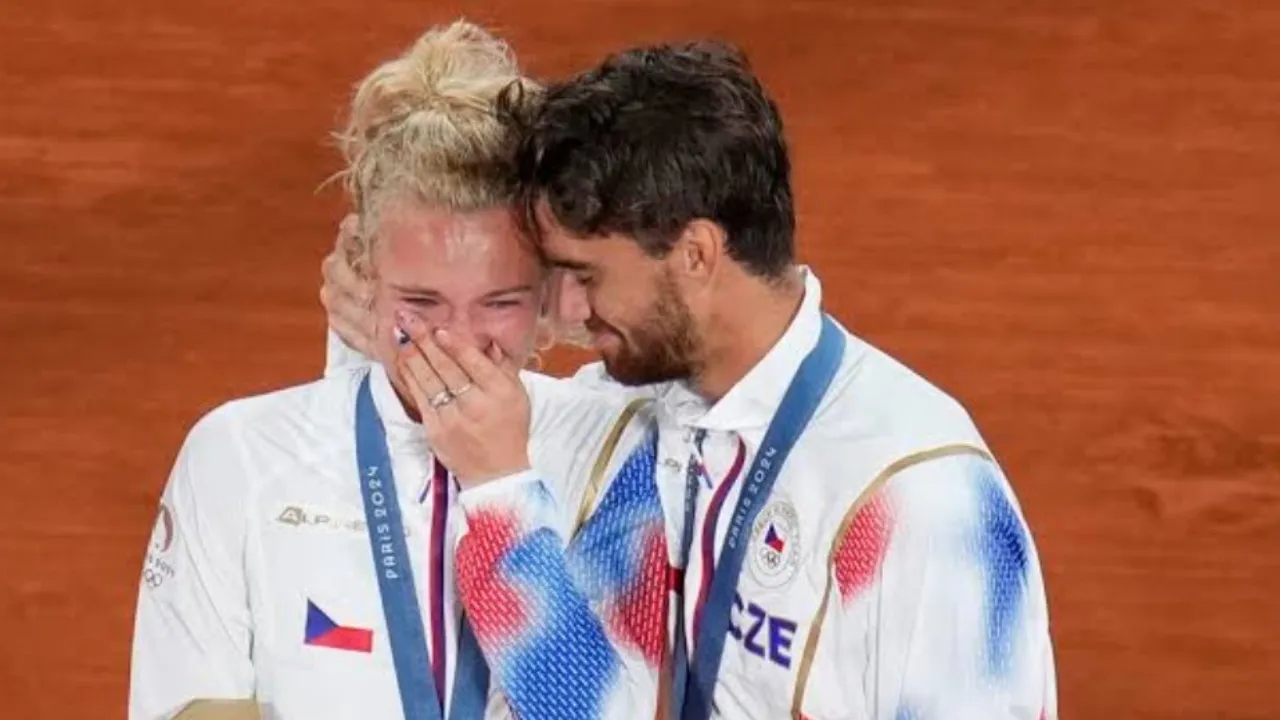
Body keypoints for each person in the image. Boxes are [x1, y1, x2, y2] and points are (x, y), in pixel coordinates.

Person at [327, 39, 1058, 719]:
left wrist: (502, 494)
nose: (571, 309)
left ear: (697, 255)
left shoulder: (919, 498)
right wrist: (388, 331)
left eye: (586, 276)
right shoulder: (645, 417)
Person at [128, 20, 666, 720]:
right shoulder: (240, 456)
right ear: (358, 270)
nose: (459, 341)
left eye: (499, 301)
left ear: (551, 294)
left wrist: (500, 488)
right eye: (422, 301)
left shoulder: (618, 451)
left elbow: (595, 714)